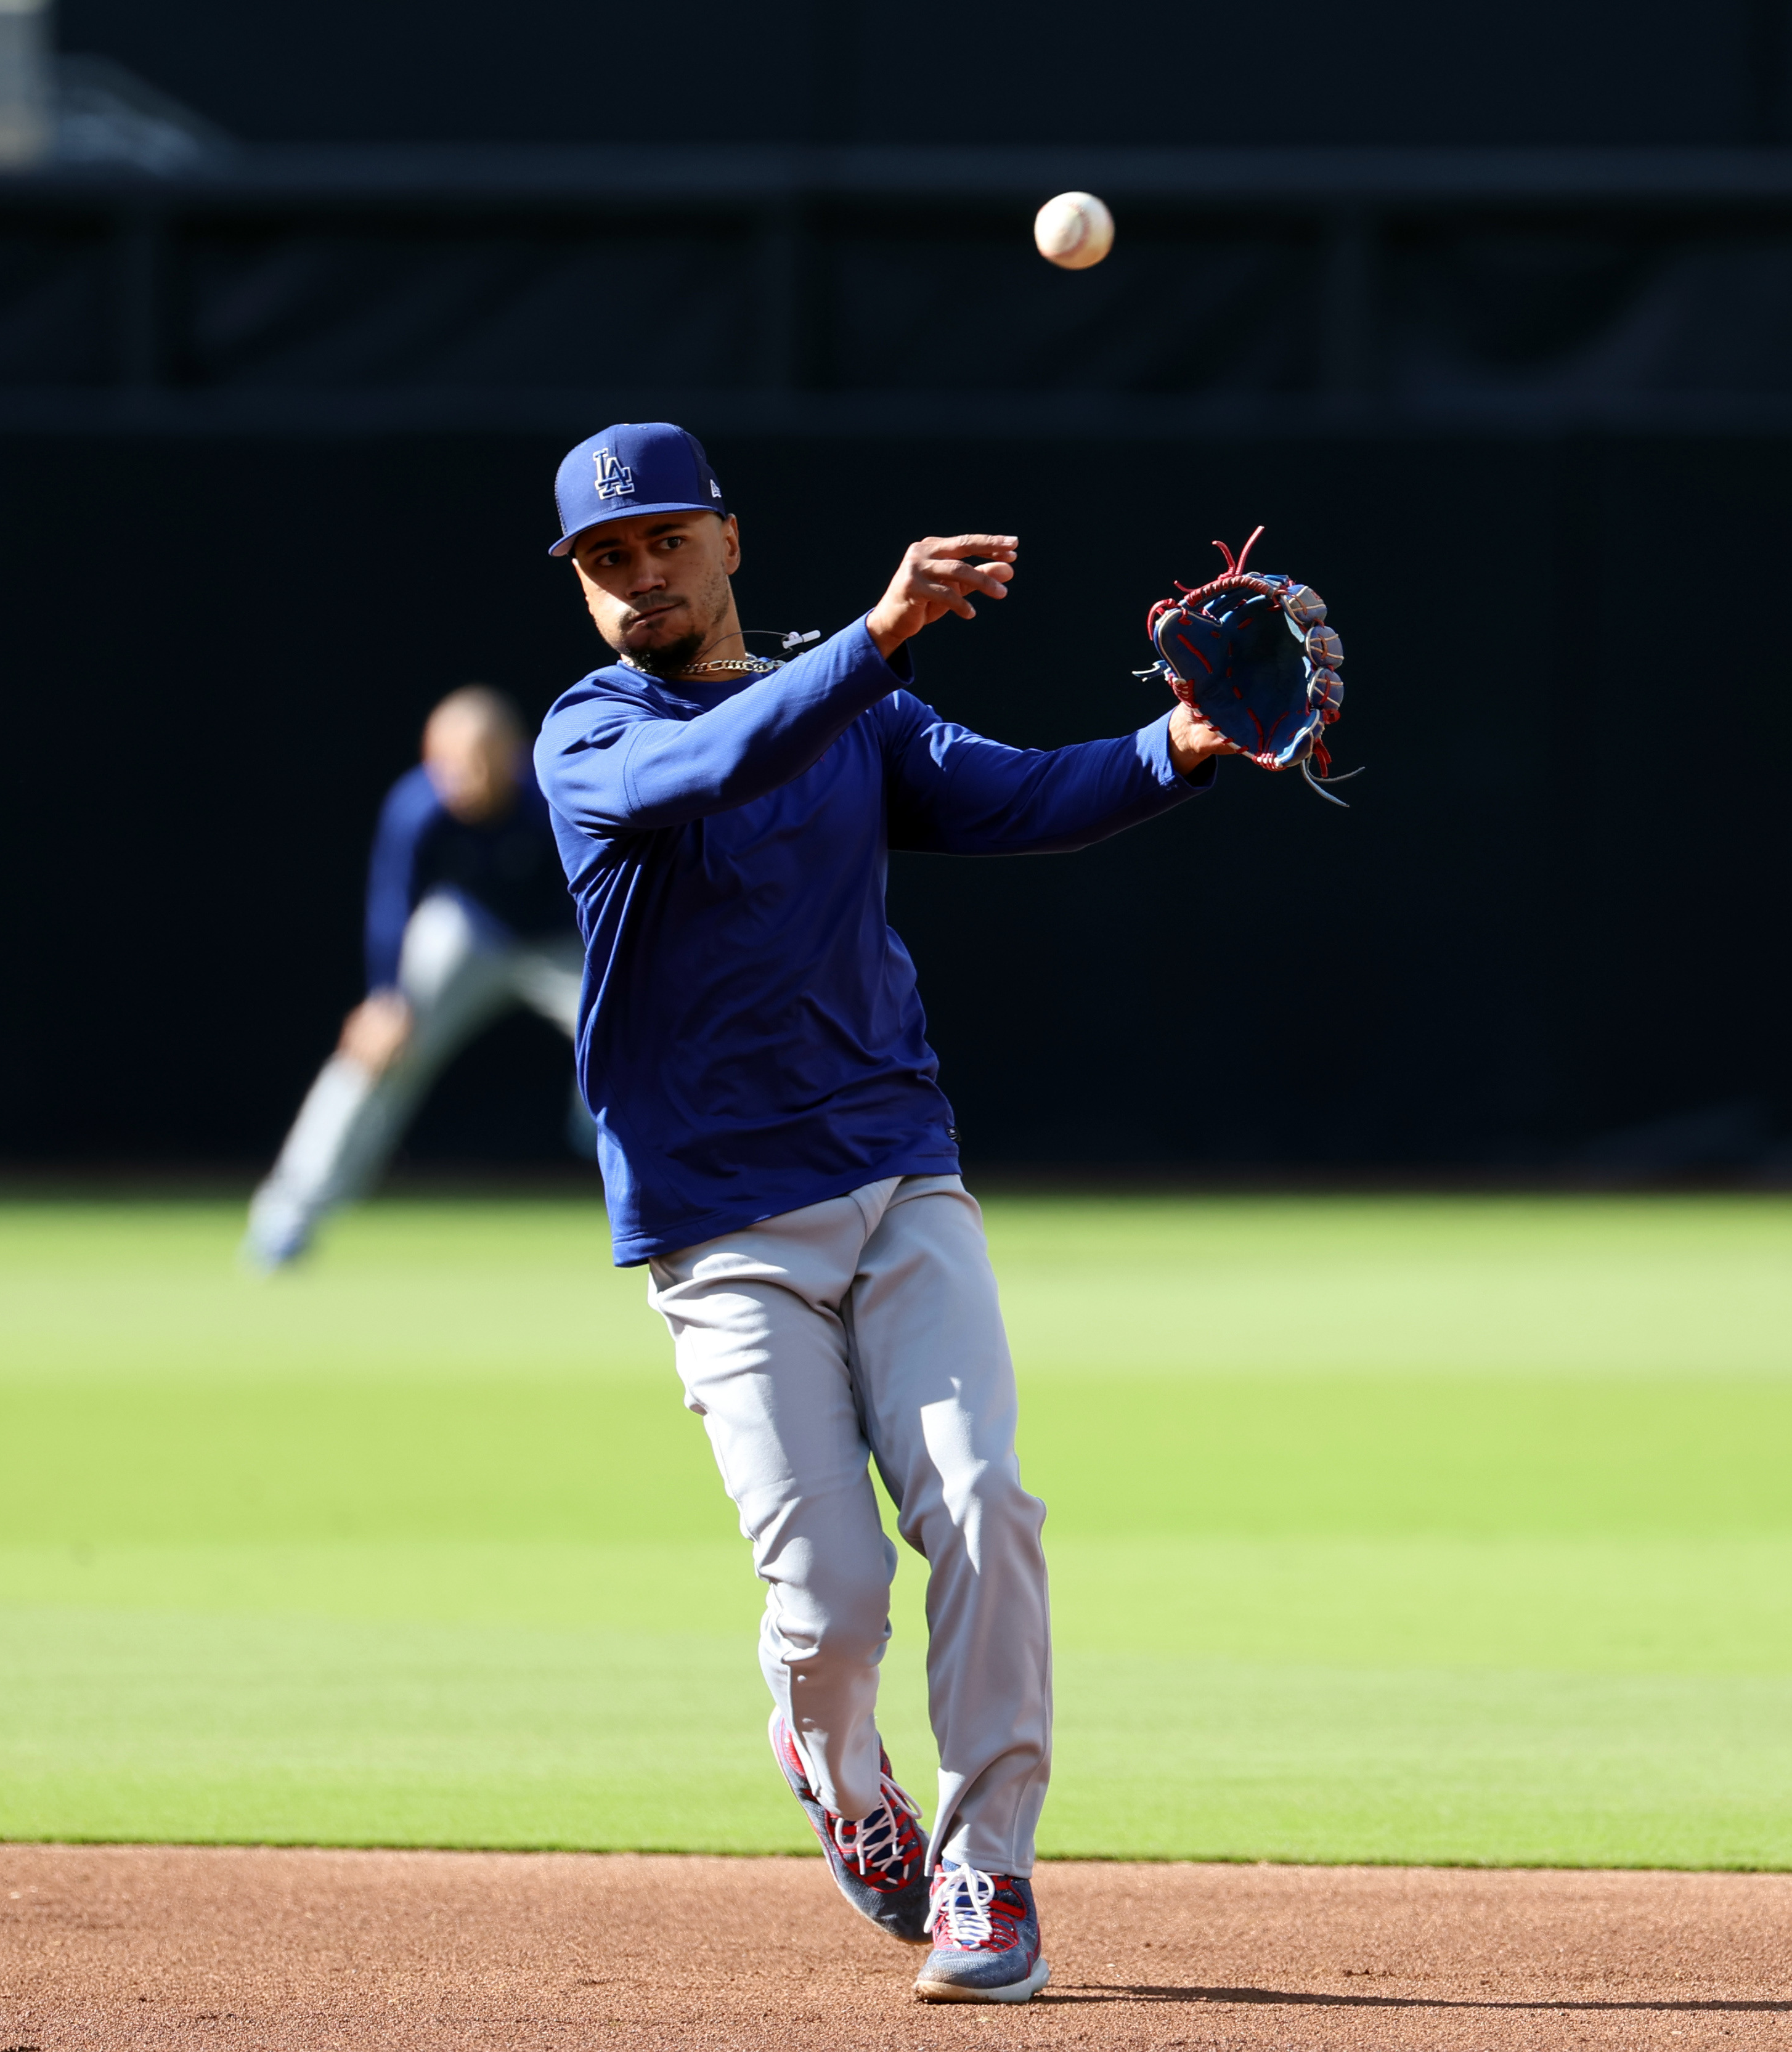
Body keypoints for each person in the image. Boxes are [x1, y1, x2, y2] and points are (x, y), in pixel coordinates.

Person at [534, 422, 1240, 2005]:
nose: (637, 574)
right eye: (603, 559)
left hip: (896, 1171)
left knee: (984, 1502)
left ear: (727, 536)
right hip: (720, 1231)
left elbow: (1021, 799)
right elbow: (716, 761)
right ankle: (842, 1771)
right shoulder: (593, 733)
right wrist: (879, 634)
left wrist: (1178, 751)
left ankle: (988, 1870)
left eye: (660, 539)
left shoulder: (859, 708)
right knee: (833, 1599)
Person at [243, 686, 587, 1271]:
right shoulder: (418, 805)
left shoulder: (555, 798)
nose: (454, 776)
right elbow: (392, 906)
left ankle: (661, 1199)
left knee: (638, 1049)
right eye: (442, 761)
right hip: (469, 933)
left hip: (566, 941)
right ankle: (288, 1215)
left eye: (472, 760)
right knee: (377, 1050)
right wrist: (385, 997)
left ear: (510, 753)